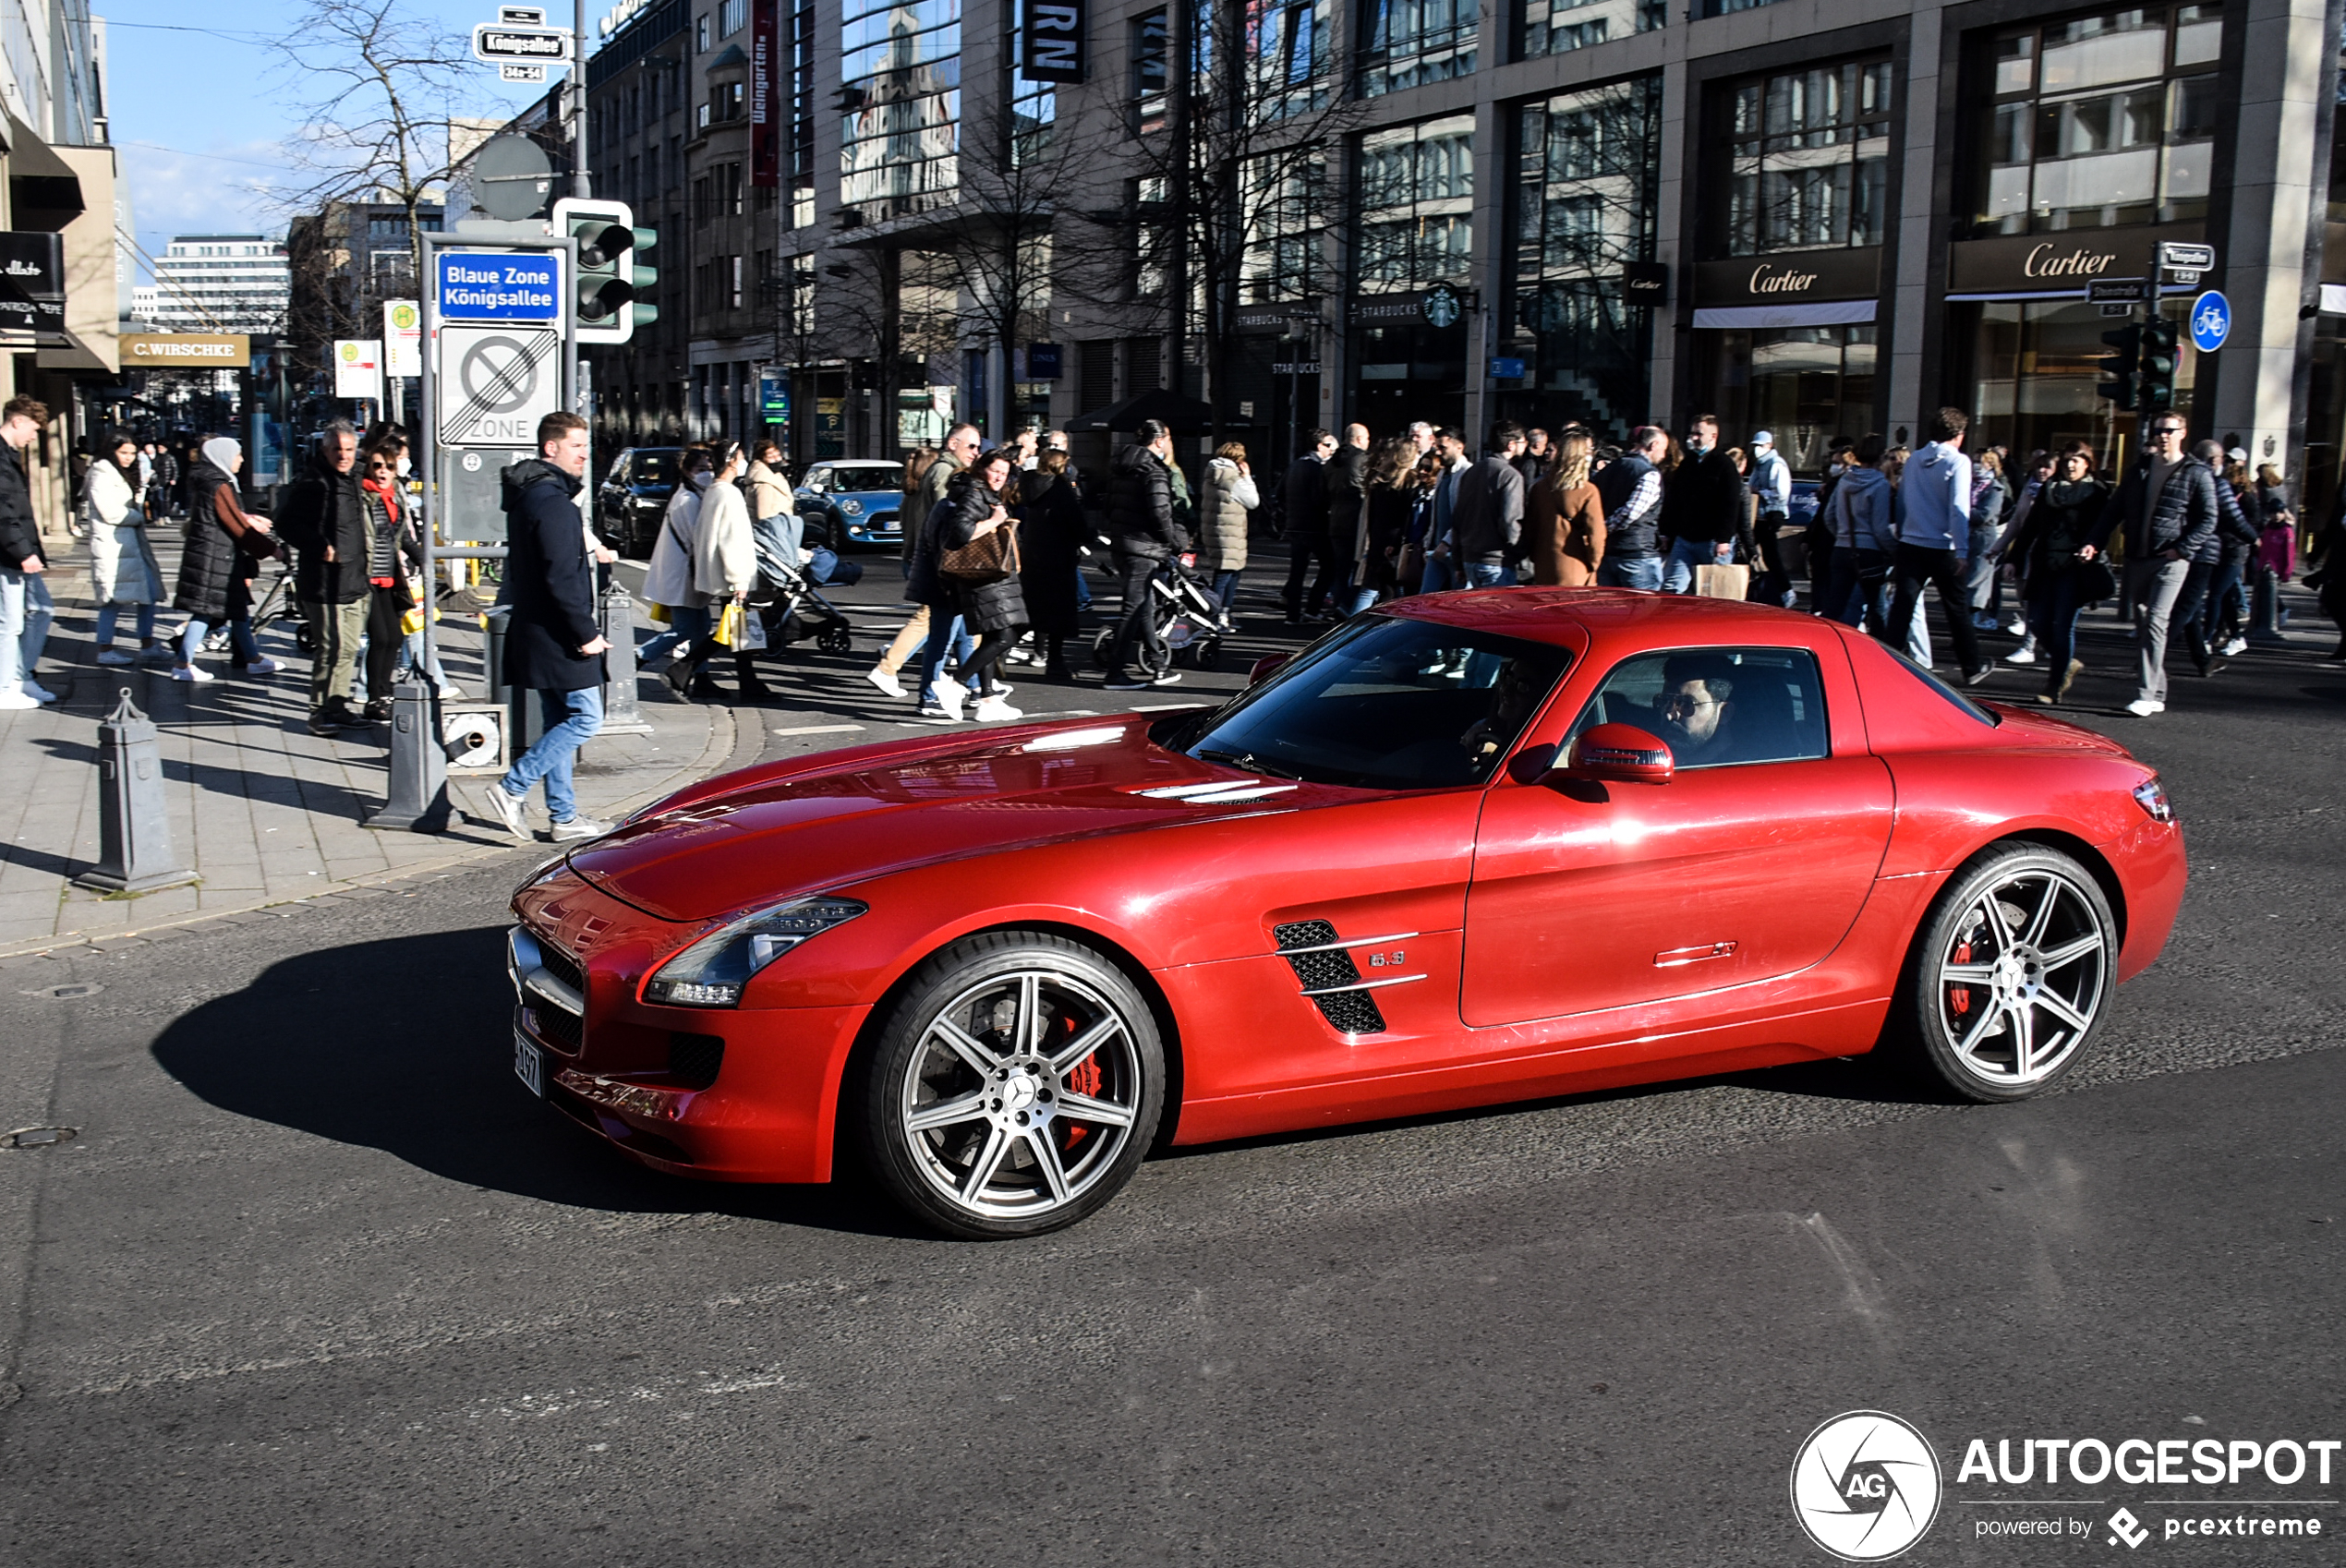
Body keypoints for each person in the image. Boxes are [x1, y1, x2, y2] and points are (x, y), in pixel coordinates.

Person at [473, 413, 611, 841]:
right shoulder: (552, 502)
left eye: (585, 447)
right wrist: (586, 633)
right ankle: (512, 787)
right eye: (576, 446)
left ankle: (563, 815)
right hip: (560, 634)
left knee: (559, 719)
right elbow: (561, 576)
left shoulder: (529, 496)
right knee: (587, 718)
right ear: (550, 448)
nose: (584, 455)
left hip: (537, 627)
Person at [2101, 411, 2216, 716]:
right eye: (2158, 430)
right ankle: (2158, 689)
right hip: (2138, 556)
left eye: (2169, 430)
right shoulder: (2140, 470)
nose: (2162, 435)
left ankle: (2145, 693)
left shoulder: (2196, 472)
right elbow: (2114, 510)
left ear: (2182, 432)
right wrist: (2092, 542)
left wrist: (2182, 548)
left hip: (2171, 560)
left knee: (2155, 621)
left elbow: (2208, 518)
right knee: (2143, 626)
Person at [911, 447, 1027, 720]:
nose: (999, 477)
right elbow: (962, 532)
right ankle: (955, 685)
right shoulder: (974, 494)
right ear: (982, 469)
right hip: (982, 577)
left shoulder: (982, 491)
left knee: (991, 634)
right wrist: (995, 521)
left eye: (1004, 473)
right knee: (1004, 636)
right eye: (995, 471)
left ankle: (986, 700)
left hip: (989, 577)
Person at [1877, 407, 1988, 684]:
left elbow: (1903, 499)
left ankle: (1884, 663)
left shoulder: (1914, 460)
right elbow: (1959, 508)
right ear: (1959, 435)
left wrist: (1903, 533)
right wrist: (1962, 550)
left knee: (1903, 607)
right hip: (1943, 545)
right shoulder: (1958, 463)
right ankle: (1971, 666)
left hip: (1912, 542)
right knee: (1956, 608)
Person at [277, 423, 375, 733]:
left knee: (348, 649)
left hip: (355, 578)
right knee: (331, 647)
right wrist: (321, 547)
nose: (343, 456)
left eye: (348, 449)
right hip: (324, 582)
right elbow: (286, 524)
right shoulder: (314, 484)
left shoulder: (357, 476)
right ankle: (318, 710)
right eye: (337, 449)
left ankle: (338, 704)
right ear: (325, 450)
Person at [868, 425, 975, 699]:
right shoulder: (944, 472)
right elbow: (949, 516)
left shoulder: (925, 481)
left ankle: (976, 685)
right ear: (953, 443)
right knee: (929, 621)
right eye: (971, 446)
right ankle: (889, 667)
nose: (976, 452)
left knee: (962, 627)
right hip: (936, 560)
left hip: (925, 556)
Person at [1998, 441, 2109, 705]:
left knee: (2062, 627)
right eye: (2068, 460)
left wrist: (2092, 547)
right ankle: (2067, 662)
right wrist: (2013, 558)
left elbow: (2103, 529)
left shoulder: (2097, 493)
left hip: (2075, 569)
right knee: (2036, 621)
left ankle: (2054, 685)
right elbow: (2030, 528)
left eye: (2077, 460)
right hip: (2045, 566)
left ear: (2087, 464)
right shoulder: (2050, 489)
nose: (2071, 465)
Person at [169, 436, 277, 686]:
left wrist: (250, 520)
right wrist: (271, 549)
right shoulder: (218, 484)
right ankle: (183, 663)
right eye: (237, 454)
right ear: (224, 456)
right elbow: (233, 522)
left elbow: (234, 515)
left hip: (221, 555)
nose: (241, 459)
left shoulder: (215, 481)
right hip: (215, 557)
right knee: (205, 611)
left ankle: (253, 659)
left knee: (236, 609)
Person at [1103, 418, 1189, 691]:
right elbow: (1161, 513)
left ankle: (1158, 663)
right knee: (1134, 608)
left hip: (1123, 544)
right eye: (1169, 439)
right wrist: (1175, 541)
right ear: (1159, 441)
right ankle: (1115, 673)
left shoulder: (1122, 467)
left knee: (1144, 606)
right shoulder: (1154, 471)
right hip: (1144, 548)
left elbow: (1109, 506)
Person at [679, 440, 762, 702]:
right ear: (731, 461)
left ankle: (750, 684)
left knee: (737, 632)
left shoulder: (715, 490)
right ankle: (681, 668)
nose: (744, 462)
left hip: (721, 573)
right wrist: (739, 579)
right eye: (740, 457)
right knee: (731, 631)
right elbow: (731, 538)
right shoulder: (729, 493)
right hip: (733, 575)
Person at [86, 430, 169, 669]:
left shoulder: (121, 472)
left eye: (132, 453)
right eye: (123, 452)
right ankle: (105, 648)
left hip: (130, 544)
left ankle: (147, 644)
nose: (129, 458)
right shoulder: (101, 473)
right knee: (112, 598)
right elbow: (110, 511)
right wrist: (137, 516)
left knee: (149, 594)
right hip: (112, 545)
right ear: (112, 450)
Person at [353, 440, 421, 720]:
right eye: (378, 466)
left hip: (389, 575)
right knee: (380, 637)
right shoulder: (362, 496)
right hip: (367, 574)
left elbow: (402, 535)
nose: (383, 471)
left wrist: (422, 557)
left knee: (393, 636)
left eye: (389, 467)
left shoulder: (395, 496)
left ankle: (384, 692)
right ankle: (374, 698)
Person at [0, 397, 54, 708]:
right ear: (17, 421)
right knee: (9, 623)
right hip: (10, 553)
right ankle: (5, 686)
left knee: (43, 609)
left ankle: (21, 676)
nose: (34, 437)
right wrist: (23, 552)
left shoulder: (8, 456)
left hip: (19, 550)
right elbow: (3, 512)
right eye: (33, 429)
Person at [639, 445, 712, 677]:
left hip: (685, 573)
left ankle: (700, 674)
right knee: (686, 628)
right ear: (688, 471)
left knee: (701, 626)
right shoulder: (688, 499)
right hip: (683, 574)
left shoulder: (690, 494)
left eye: (709, 468)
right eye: (701, 468)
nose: (707, 473)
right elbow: (697, 537)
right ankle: (640, 656)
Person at [1016, 450, 1086, 678]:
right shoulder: (1060, 490)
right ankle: (1055, 662)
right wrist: (1088, 534)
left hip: (1034, 556)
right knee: (1058, 615)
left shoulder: (1031, 486)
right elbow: (1076, 523)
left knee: (1031, 612)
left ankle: (996, 653)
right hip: (1057, 558)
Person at [1659, 415, 1742, 593]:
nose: (1694, 438)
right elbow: (1674, 499)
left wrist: (1724, 539)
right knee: (1672, 588)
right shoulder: (1688, 464)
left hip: (1712, 540)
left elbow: (1731, 504)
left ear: (1713, 436)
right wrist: (1666, 531)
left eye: (1699, 434)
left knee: (1714, 591)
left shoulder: (1724, 465)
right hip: (1686, 537)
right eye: (1692, 433)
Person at [1451, 421, 1528, 587]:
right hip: (1496, 561)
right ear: (1511, 445)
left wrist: (1458, 560)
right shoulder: (1510, 475)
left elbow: (1458, 519)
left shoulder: (1471, 473)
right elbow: (1510, 521)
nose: (1526, 446)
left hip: (1470, 558)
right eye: (1523, 442)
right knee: (1501, 612)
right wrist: (1520, 553)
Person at [1593, 426, 1667, 591]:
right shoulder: (1648, 474)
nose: (1664, 455)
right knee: (1644, 611)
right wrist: (1606, 528)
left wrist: (1599, 531)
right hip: (1637, 554)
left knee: (1611, 612)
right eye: (1663, 449)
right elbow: (1630, 512)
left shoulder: (1608, 470)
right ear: (1653, 445)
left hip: (1609, 552)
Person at [1530, 430, 1604, 587]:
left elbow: (1531, 528)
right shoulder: (1588, 491)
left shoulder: (1539, 488)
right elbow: (1596, 534)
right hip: (1576, 565)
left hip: (1544, 563)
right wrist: (1594, 564)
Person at [1198, 440, 1257, 626]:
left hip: (1215, 529)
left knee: (1225, 570)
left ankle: (1219, 613)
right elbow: (1253, 501)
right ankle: (1218, 613)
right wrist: (1247, 477)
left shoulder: (1211, 473)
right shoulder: (1233, 478)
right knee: (1228, 574)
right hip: (1231, 531)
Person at [1280, 428, 1336, 622]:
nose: (1331, 450)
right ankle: (1313, 607)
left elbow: (1280, 493)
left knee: (1297, 571)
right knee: (1330, 566)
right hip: (1314, 525)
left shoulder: (1294, 465)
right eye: (1329, 446)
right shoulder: (1317, 469)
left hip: (1294, 524)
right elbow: (1319, 498)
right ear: (1320, 446)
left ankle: (1292, 614)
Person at [1356, 435, 1416, 611]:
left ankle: (1352, 625)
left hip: (1377, 539)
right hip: (1395, 544)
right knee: (1390, 592)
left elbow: (1371, 516)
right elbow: (1408, 517)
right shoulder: (1410, 482)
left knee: (1370, 589)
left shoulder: (1379, 481)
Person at [1654, 654, 1738, 767]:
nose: (1670, 715)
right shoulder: (1658, 757)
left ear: (1724, 713)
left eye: (1687, 704)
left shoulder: (1741, 772)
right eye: (1665, 701)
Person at [1324, 423, 1371, 612]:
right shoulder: (1361, 459)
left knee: (1341, 570)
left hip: (1336, 519)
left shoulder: (1332, 461)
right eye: (1367, 438)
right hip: (1355, 520)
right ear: (1360, 439)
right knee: (1358, 569)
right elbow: (1363, 489)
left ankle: (1338, 605)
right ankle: (1347, 608)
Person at [1964, 448, 2011, 631]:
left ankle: (1971, 624)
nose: (1976, 466)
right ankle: (1965, 627)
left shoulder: (1996, 489)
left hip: (1983, 538)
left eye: (1980, 462)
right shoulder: (1967, 485)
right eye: (1974, 460)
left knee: (1975, 584)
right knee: (1965, 582)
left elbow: (1985, 514)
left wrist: (1961, 512)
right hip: (1966, 536)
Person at [1747, 429, 1794, 606]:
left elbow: (1781, 493)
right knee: (1758, 552)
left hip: (1771, 514)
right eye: (1755, 446)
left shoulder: (1776, 464)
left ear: (1769, 446)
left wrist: (1761, 492)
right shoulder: (1759, 464)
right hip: (1759, 515)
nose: (1757, 449)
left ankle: (1786, 590)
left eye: (1760, 446)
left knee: (1770, 554)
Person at [1420, 428, 1469, 595]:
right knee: (1426, 597)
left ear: (1459, 447)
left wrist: (1447, 542)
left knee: (1457, 599)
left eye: (1443, 448)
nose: (1438, 452)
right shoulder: (1442, 473)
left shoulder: (1467, 473)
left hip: (1454, 549)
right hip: (1436, 548)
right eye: (1437, 448)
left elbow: (1464, 514)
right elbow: (1436, 513)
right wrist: (1429, 541)